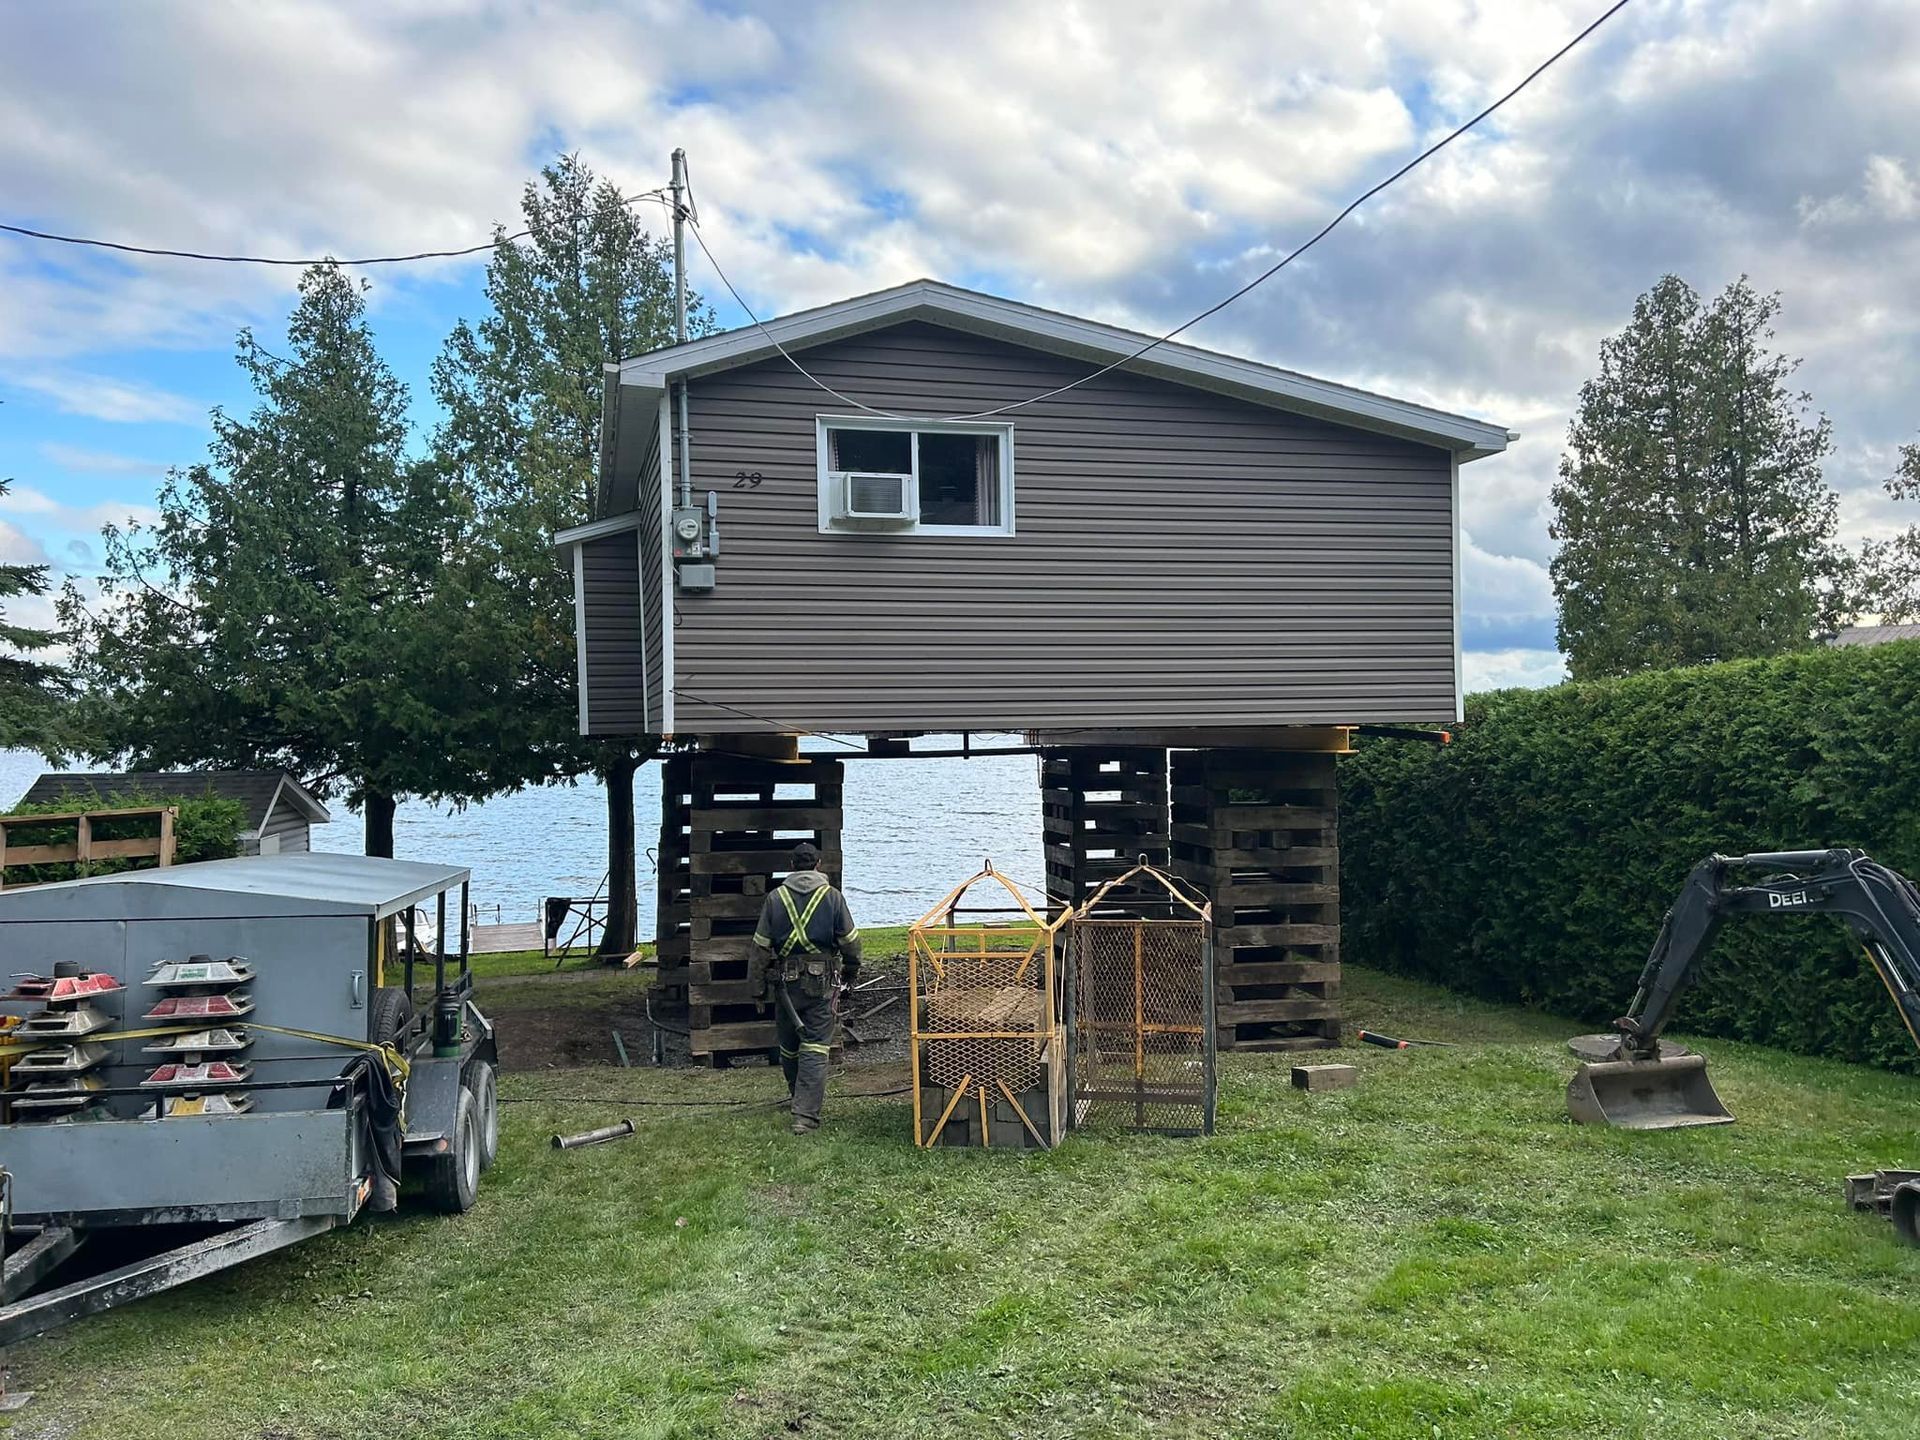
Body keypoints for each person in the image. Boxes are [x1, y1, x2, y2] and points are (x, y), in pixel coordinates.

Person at [751, 840, 861, 1134]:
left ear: (791, 866)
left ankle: (797, 1098)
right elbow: (851, 943)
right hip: (822, 984)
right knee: (814, 1046)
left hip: (786, 985)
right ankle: (805, 1116)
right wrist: (851, 972)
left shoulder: (775, 899)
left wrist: (757, 988)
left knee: (789, 1046)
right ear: (818, 865)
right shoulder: (833, 897)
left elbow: (760, 948)